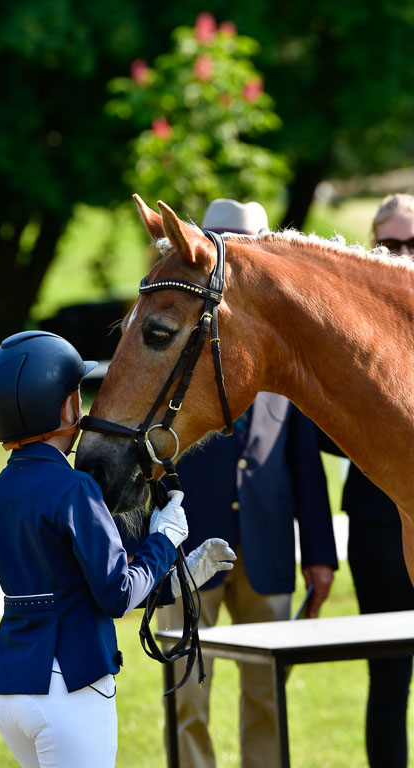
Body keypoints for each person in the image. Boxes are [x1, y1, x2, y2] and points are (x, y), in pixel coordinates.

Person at [0, 330, 235, 768]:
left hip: (11, 687)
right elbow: (116, 594)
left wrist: (178, 573)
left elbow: (80, 585)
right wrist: (164, 540)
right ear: (64, 405)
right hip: (70, 685)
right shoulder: (75, 488)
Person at [157, 199, 339, 768]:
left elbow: (305, 465)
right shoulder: (178, 344)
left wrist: (320, 555)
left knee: (267, 694)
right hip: (185, 549)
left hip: (267, 549)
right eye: (226, 241)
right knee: (187, 693)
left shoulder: (289, 352)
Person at [319, 192, 414, 768]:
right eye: (391, 244)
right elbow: (324, 435)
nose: (403, 253)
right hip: (377, 520)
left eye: (413, 242)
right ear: (372, 247)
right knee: (389, 675)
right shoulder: (356, 335)